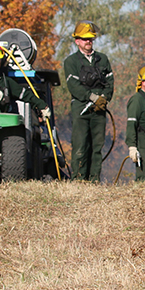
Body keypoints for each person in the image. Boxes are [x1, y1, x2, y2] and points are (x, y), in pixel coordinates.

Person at [63, 21, 113, 182]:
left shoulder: (103, 59)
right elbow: (74, 87)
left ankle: (94, 180)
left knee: (96, 147)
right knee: (80, 145)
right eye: (84, 39)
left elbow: (110, 83)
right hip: (80, 108)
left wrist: (104, 99)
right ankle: (78, 180)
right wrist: (92, 97)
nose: (88, 42)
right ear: (77, 41)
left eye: (90, 39)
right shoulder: (71, 62)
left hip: (99, 109)